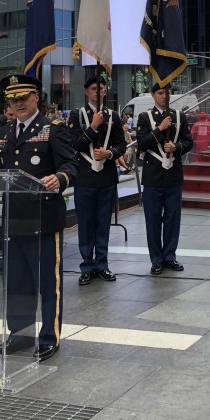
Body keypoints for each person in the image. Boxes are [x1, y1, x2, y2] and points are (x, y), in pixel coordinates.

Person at [0, 74, 77, 362]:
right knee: (16, 283)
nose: (18, 104)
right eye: (12, 99)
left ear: (36, 97)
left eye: (23, 98)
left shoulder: (53, 128)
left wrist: (60, 178)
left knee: (47, 284)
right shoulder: (3, 130)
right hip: (13, 220)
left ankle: (49, 337)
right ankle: (20, 334)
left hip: (43, 219)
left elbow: (71, 164)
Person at [67, 75, 126, 286]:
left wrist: (110, 153)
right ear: (86, 92)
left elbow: (122, 144)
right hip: (84, 178)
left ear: (106, 91)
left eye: (101, 88)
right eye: (93, 88)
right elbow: (74, 145)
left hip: (106, 177)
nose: (97, 92)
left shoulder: (115, 117)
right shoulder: (77, 115)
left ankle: (102, 264)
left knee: (103, 223)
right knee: (85, 223)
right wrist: (92, 127)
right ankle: (87, 266)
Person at [137, 82, 193, 276]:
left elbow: (189, 141)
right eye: (160, 93)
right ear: (153, 95)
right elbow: (142, 144)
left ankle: (169, 256)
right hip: (153, 177)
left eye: (167, 92)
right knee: (153, 219)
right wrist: (160, 129)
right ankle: (156, 259)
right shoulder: (144, 117)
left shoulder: (179, 116)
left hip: (173, 176)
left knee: (172, 218)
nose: (165, 96)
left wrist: (176, 147)